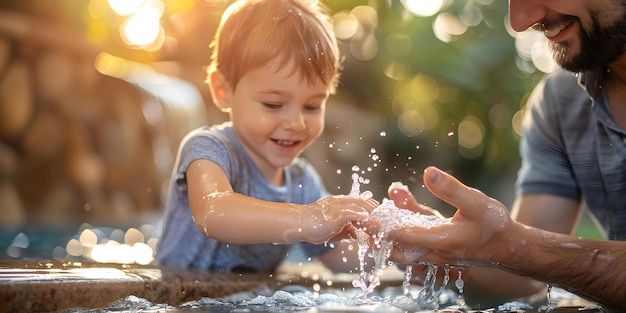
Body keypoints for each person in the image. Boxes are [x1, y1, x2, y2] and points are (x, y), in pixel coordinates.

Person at [382, 0, 626, 311]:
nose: (521, 20)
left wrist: (518, 251)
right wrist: (457, 256)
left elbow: (528, 253)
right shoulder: (561, 104)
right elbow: (522, 276)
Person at [156, 0, 377, 273]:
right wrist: (308, 218)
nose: (296, 123)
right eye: (273, 105)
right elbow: (213, 213)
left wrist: (404, 249)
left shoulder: (302, 184)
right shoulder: (209, 149)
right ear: (223, 90)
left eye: (312, 106)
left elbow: (345, 259)